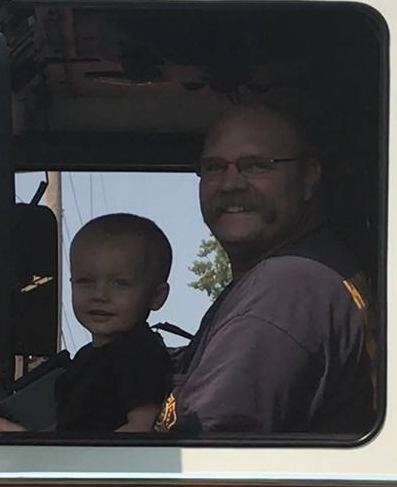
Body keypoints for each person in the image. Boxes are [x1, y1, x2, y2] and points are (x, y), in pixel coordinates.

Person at [155, 101, 375, 434]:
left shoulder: (287, 288)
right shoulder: (311, 273)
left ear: (309, 177)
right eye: (214, 167)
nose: (230, 184)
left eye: (256, 166)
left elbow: (208, 450)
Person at [0, 212, 172, 434]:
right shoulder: (85, 359)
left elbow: (141, 432)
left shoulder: (141, 356)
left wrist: (28, 442)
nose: (99, 295)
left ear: (157, 296)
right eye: (85, 281)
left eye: (120, 283)